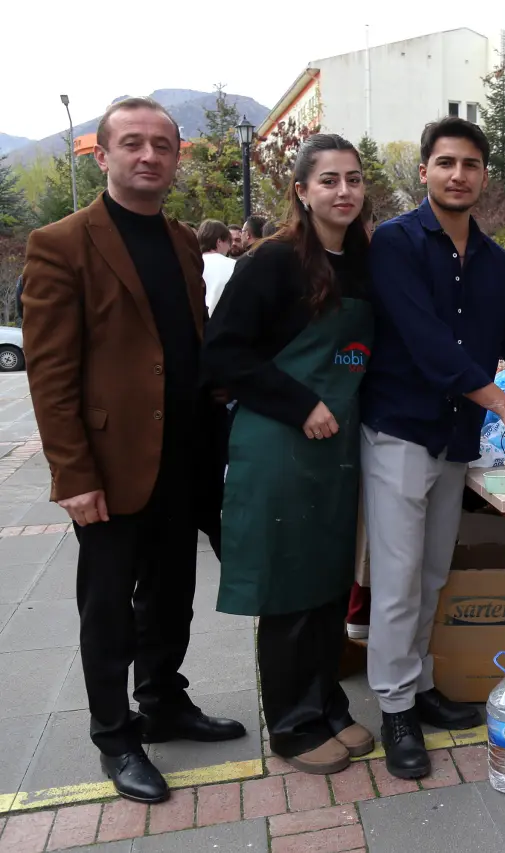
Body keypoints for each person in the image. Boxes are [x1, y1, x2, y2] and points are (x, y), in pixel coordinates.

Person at [20, 96, 244, 804]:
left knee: (173, 594)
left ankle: (163, 702)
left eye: (162, 145)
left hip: (184, 456)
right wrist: (73, 475)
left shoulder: (181, 240)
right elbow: (51, 373)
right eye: (134, 144)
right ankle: (115, 736)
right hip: (111, 466)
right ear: (105, 154)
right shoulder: (61, 243)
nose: (149, 155)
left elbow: (193, 343)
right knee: (110, 605)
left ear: (177, 157)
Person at [361, 116, 505, 780]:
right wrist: (504, 403)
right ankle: (394, 707)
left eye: (470, 164)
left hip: (455, 436)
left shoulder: (497, 262)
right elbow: (426, 344)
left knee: (431, 575)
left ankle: (416, 686)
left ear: (483, 175)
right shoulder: (394, 243)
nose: (458, 174)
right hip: (399, 429)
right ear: (424, 171)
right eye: (445, 162)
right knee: (395, 581)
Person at [203, 134, 377, 776]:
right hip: (280, 442)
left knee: (328, 584)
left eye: (354, 179)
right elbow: (221, 352)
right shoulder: (272, 262)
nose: (344, 191)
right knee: (288, 589)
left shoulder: (361, 260)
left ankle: (327, 703)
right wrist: (300, 404)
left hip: (338, 450)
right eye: (328, 180)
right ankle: (292, 724)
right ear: (301, 191)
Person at [197, 219, 237, 313]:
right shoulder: (234, 266)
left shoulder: (191, 264)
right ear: (219, 241)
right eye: (228, 242)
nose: (229, 247)